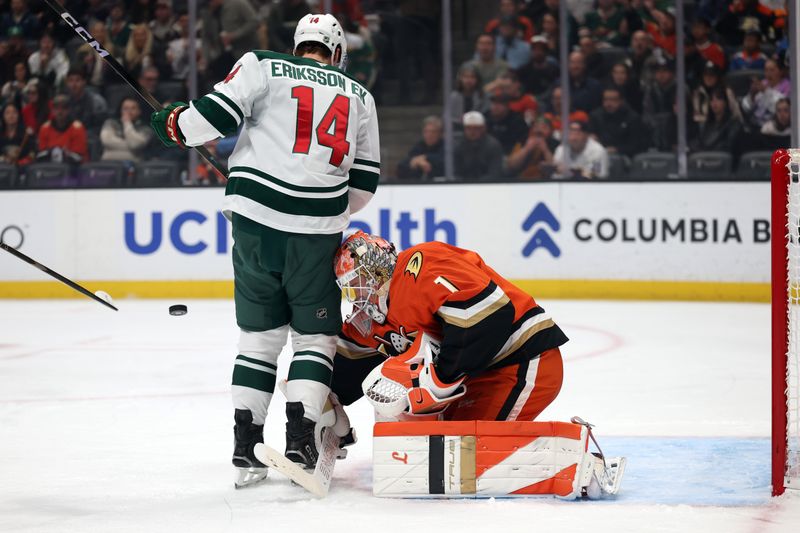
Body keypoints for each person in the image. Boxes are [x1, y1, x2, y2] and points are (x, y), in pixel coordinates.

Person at [150, 13, 379, 486]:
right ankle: (299, 440)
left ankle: (245, 445)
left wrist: (172, 123)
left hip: (254, 224)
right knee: (313, 338)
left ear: (298, 45)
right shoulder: (360, 96)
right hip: (316, 232)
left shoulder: (262, 64)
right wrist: (320, 206)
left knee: (259, 338)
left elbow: (208, 120)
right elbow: (363, 185)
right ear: (336, 53)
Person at [330, 232, 568, 422]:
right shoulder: (371, 319)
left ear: (377, 268)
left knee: (467, 453)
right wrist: (323, 404)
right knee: (444, 447)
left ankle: (573, 462)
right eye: (349, 288)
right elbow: (346, 364)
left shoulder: (420, 264)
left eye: (357, 281)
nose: (356, 294)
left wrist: (441, 378)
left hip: (521, 359)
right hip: (478, 375)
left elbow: (488, 312)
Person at [202, 0, 260, 81]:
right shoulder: (207, 12)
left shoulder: (238, 3)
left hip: (243, 53)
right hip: (221, 56)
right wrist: (205, 58)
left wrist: (234, 35)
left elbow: (254, 22)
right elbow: (206, 37)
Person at [589, 87, 648, 158]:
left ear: (621, 101)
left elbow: (637, 145)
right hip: (599, 155)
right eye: (605, 99)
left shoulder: (632, 118)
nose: (608, 103)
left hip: (624, 156)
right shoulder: (595, 116)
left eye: (613, 100)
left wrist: (617, 149)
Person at [36, 94, 88, 165]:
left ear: (69, 110)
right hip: (50, 168)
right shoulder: (45, 128)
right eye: (56, 108)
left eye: (64, 108)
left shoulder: (77, 128)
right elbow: (41, 155)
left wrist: (66, 154)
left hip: (73, 169)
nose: (60, 112)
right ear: (52, 110)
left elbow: (79, 157)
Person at [453, 111, 504, 182]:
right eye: (468, 128)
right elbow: (456, 173)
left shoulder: (493, 146)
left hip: (488, 186)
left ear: (483, 128)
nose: (472, 132)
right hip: (463, 187)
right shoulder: (458, 146)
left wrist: (477, 184)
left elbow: (495, 173)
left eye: (476, 128)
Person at [100, 97, 153, 163]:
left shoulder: (146, 128)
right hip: (108, 163)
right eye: (125, 108)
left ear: (139, 111)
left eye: (133, 108)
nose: (129, 111)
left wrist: (127, 123)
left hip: (133, 164)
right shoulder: (110, 123)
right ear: (121, 110)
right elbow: (106, 141)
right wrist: (130, 145)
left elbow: (135, 145)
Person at [741, 58, 790, 129]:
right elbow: (746, 108)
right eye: (766, 70)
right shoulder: (763, 83)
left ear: (781, 71)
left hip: (776, 127)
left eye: (772, 70)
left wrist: (766, 91)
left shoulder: (788, 86)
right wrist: (752, 95)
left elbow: (782, 109)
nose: (768, 74)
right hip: (755, 125)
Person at [691, 87, 743, 153]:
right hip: (704, 159)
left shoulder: (734, 124)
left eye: (718, 98)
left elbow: (728, 146)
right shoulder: (707, 124)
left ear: (725, 102)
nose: (714, 102)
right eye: (711, 99)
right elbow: (699, 141)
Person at [691, 61, 742, 127]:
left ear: (717, 76)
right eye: (705, 75)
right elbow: (695, 115)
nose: (708, 78)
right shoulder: (698, 92)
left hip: (724, 127)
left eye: (711, 75)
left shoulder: (726, 92)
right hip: (703, 129)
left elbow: (736, 114)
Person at [396, 116, 444, 181]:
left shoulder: (446, 146)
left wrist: (425, 157)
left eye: (433, 132)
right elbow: (402, 166)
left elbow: (443, 162)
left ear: (440, 133)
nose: (429, 135)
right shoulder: (419, 146)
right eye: (426, 131)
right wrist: (417, 161)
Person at [63, 67, 109, 132]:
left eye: (77, 80)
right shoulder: (65, 102)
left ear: (84, 82)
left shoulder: (97, 102)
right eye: (71, 81)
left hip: (91, 137)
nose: (74, 84)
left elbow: (100, 128)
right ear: (67, 83)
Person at [449, 65, 487, 130]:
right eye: (466, 77)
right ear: (460, 79)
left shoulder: (483, 96)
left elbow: (486, 116)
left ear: (477, 79)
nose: (469, 80)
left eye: (472, 77)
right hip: (457, 131)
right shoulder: (453, 97)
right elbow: (448, 118)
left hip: (478, 130)